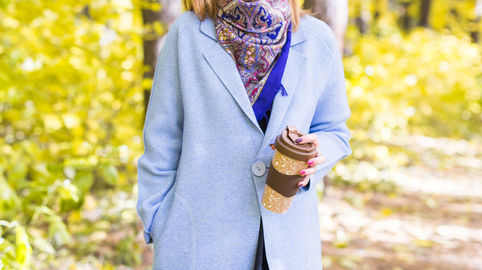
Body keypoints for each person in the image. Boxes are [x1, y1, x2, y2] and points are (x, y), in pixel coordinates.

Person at [136, 0, 352, 268]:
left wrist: (317, 155)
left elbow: (334, 129)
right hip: (197, 240)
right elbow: (162, 138)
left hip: (286, 242)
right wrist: (156, 219)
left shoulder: (318, 39)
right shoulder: (187, 33)